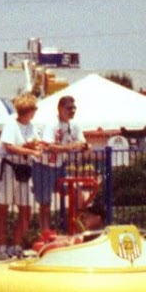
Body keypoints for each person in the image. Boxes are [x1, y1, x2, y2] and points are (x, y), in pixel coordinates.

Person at [0, 92, 42, 259]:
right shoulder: (11, 125)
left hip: (24, 169)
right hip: (8, 169)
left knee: (26, 209)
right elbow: (9, 147)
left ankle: (16, 244)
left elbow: (35, 143)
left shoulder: (31, 126)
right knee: (3, 209)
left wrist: (32, 147)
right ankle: (1, 247)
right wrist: (30, 150)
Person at [33, 93, 87, 234]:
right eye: (69, 108)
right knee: (45, 203)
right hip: (44, 166)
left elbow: (83, 142)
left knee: (75, 191)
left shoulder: (74, 125)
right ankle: (45, 232)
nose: (72, 111)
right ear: (60, 109)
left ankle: (75, 225)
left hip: (59, 165)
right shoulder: (52, 124)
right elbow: (48, 146)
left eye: (74, 108)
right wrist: (70, 147)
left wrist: (85, 146)